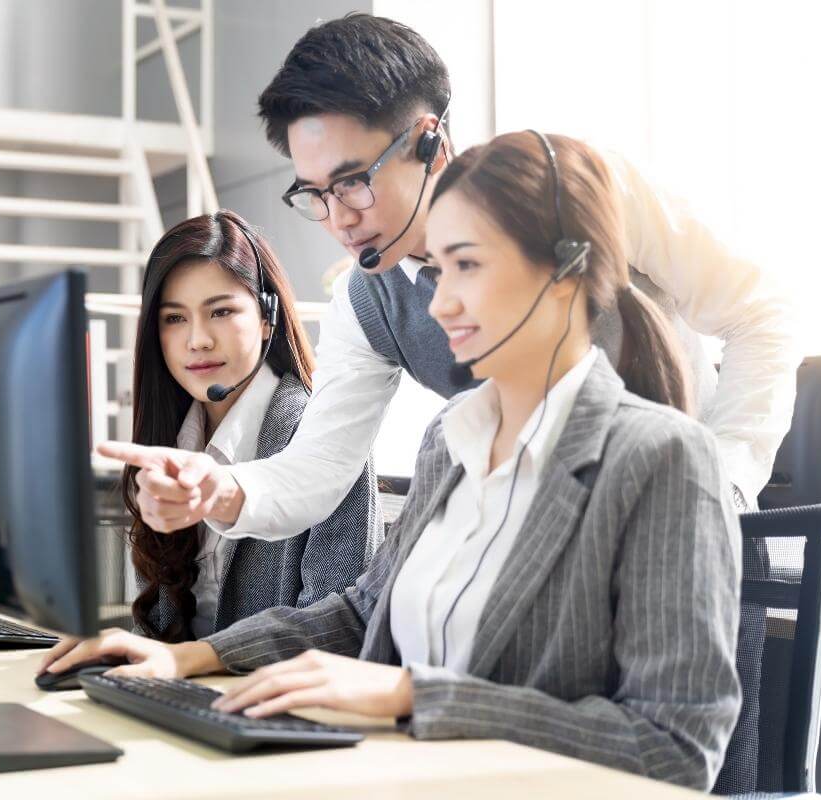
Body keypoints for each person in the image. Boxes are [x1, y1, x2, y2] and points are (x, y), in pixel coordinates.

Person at [44, 132, 742, 791]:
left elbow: (674, 748)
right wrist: (186, 658)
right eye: (436, 268)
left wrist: (413, 696)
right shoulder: (451, 438)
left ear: (564, 273)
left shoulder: (665, 460)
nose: (437, 302)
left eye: (466, 264)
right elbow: (360, 611)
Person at [99, 13, 798, 544]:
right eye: (313, 193)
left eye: (352, 183)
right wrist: (215, 489)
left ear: (431, 141)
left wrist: (726, 480)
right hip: (541, 555)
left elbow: (759, 312)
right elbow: (318, 468)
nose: (338, 218)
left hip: (683, 539)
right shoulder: (367, 295)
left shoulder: (583, 189)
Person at [96, 211, 381, 643]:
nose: (198, 340)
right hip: (181, 696)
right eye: (174, 318)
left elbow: (337, 635)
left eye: (221, 311)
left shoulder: (322, 439)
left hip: (275, 703)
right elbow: (156, 626)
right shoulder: (168, 442)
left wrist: (192, 663)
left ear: (268, 316)